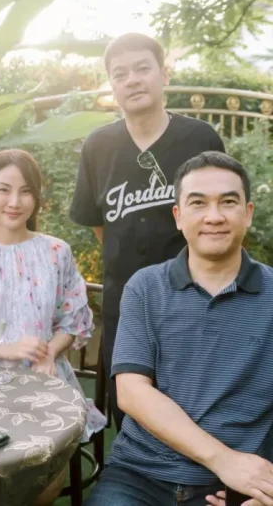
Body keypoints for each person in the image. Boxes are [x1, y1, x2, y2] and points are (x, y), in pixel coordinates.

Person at [85, 151, 273, 506]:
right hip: (140, 475)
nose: (213, 216)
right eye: (198, 203)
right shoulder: (145, 287)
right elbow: (132, 392)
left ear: (248, 213)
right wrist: (224, 460)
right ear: (178, 216)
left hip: (237, 484)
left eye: (228, 202)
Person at [70, 33, 226, 430]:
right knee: (131, 418)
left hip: (194, 305)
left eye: (142, 68)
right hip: (126, 307)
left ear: (164, 75)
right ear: (111, 84)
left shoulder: (200, 139)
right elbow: (100, 223)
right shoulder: (98, 146)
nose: (132, 80)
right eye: (120, 73)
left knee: (201, 415)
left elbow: (219, 213)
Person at [0, 148, 106, 505]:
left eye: (26, 191)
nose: (15, 202)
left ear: (37, 198)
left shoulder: (56, 252)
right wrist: (6, 350)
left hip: (45, 381)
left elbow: (74, 321)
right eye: (4, 189)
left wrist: (50, 352)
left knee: (46, 474)